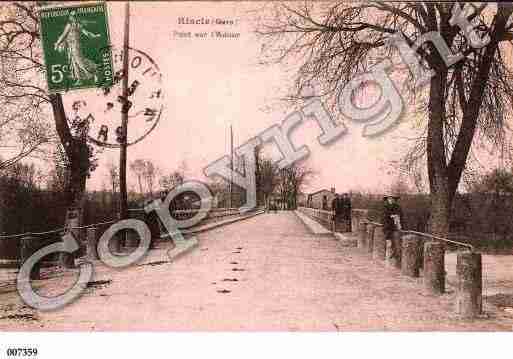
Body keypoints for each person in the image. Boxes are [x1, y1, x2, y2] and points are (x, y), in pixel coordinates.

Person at [53, 11, 101, 85]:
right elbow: (63, 35)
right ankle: (79, 79)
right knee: (74, 63)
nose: (74, 17)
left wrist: (94, 36)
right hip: (70, 46)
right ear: (70, 17)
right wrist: (57, 44)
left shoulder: (78, 24)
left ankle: (95, 72)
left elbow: (86, 33)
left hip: (76, 45)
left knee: (80, 61)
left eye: (75, 15)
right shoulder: (69, 25)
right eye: (73, 16)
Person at [382, 195, 404, 261]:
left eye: (392, 199)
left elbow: (401, 217)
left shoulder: (398, 207)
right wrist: (390, 216)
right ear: (387, 200)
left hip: (396, 227)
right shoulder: (385, 207)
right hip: (387, 228)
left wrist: (400, 224)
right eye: (389, 198)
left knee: (397, 243)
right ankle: (388, 259)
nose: (391, 200)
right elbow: (384, 217)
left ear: (394, 200)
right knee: (389, 244)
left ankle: (397, 258)